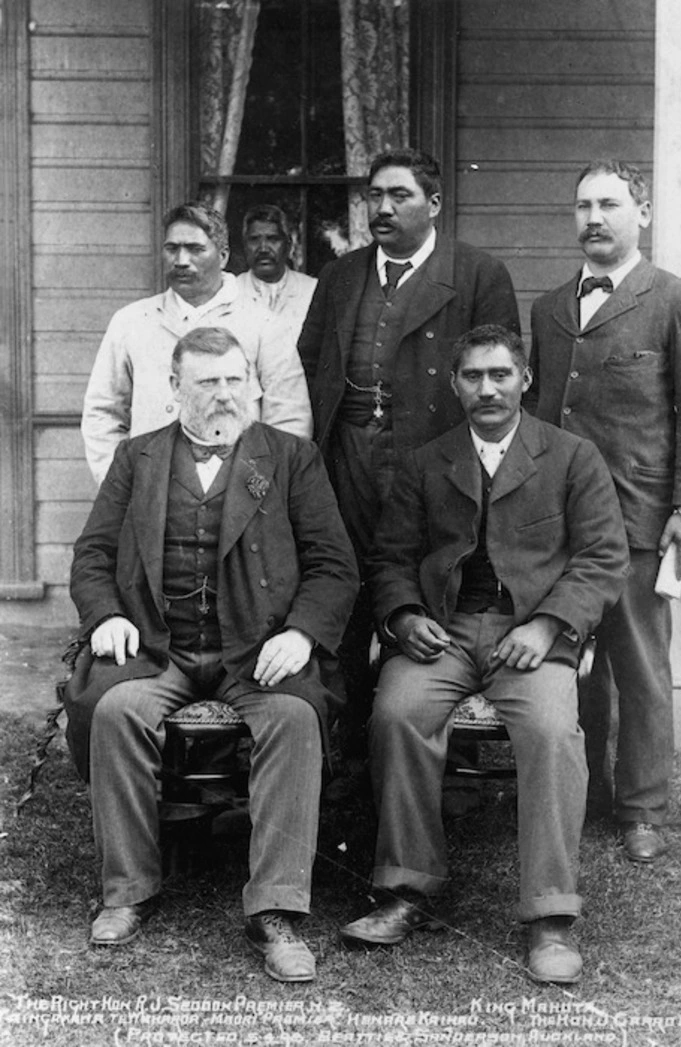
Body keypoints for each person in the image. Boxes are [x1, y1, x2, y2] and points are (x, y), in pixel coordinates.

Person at [63, 327, 358, 982]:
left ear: (251, 383)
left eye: (234, 379)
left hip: (256, 648)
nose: (225, 394)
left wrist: (301, 633)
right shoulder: (138, 458)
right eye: (208, 382)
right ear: (175, 390)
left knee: (292, 719)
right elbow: (93, 556)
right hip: (159, 646)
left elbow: (334, 566)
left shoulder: (290, 457)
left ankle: (277, 908)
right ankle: (128, 888)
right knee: (114, 711)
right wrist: (107, 615)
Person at [339, 325, 628, 984]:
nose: (488, 388)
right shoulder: (424, 461)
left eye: (501, 374)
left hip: (531, 633)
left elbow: (602, 556)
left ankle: (550, 918)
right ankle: (405, 889)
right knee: (397, 712)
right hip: (443, 628)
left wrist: (550, 625)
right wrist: (405, 615)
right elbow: (390, 557)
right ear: (455, 383)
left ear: (525, 379)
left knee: (554, 730)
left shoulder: (571, 456)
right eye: (473, 375)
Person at [528, 159, 681, 862]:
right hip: (559, 520)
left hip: (641, 517)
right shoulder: (550, 306)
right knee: (567, 660)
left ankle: (641, 804)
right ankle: (584, 791)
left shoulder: (677, 299)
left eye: (609, 204)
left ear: (640, 210)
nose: (594, 218)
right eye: (582, 205)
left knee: (639, 663)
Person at [298, 148, 519, 770]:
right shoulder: (341, 275)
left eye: (399, 196)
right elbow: (310, 362)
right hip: (347, 459)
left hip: (434, 464)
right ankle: (344, 757)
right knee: (345, 597)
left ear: (435, 204)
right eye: (375, 196)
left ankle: (443, 763)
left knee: (428, 598)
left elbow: (496, 383)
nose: (384, 208)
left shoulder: (477, 274)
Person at [82, 202, 312, 486]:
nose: (180, 260)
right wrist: (121, 486)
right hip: (152, 496)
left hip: (240, 500)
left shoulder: (264, 325)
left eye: (195, 249)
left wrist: (261, 492)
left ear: (223, 256)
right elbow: (103, 413)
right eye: (172, 248)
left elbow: (290, 421)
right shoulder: (131, 322)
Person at [235, 204, 317, 358]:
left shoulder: (313, 291)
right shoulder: (230, 292)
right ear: (244, 246)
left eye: (273, 239)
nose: (264, 248)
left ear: (288, 245)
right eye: (254, 240)